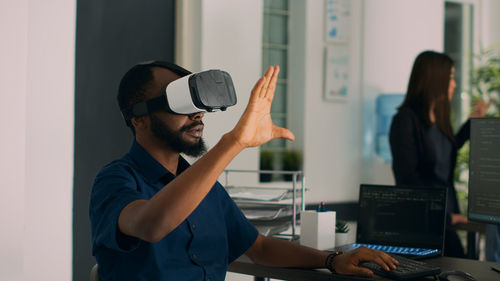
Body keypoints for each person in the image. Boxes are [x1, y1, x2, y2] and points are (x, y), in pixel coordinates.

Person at [89, 61, 398, 281]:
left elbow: (260, 248)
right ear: (138, 118)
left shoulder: (205, 186)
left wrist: (332, 260)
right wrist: (234, 142)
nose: (198, 114)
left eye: (197, 103)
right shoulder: (115, 180)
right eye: (180, 103)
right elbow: (151, 225)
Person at [389, 50, 488, 258]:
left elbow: (448, 150)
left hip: (446, 216)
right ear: (435, 79)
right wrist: (447, 217)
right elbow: (408, 181)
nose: (454, 84)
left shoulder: (439, 119)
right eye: (451, 77)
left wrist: (473, 122)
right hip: (424, 222)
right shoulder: (405, 121)